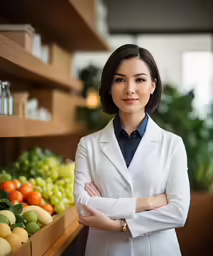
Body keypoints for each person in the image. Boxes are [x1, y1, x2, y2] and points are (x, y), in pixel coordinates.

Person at [74, 44, 190, 256]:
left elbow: (178, 213)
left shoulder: (172, 144)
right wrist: (150, 202)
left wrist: (118, 225)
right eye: (120, 79)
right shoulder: (87, 145)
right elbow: (84, 207)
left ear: (153, 85)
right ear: (109, 86)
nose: (130, 89)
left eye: (140, 79)